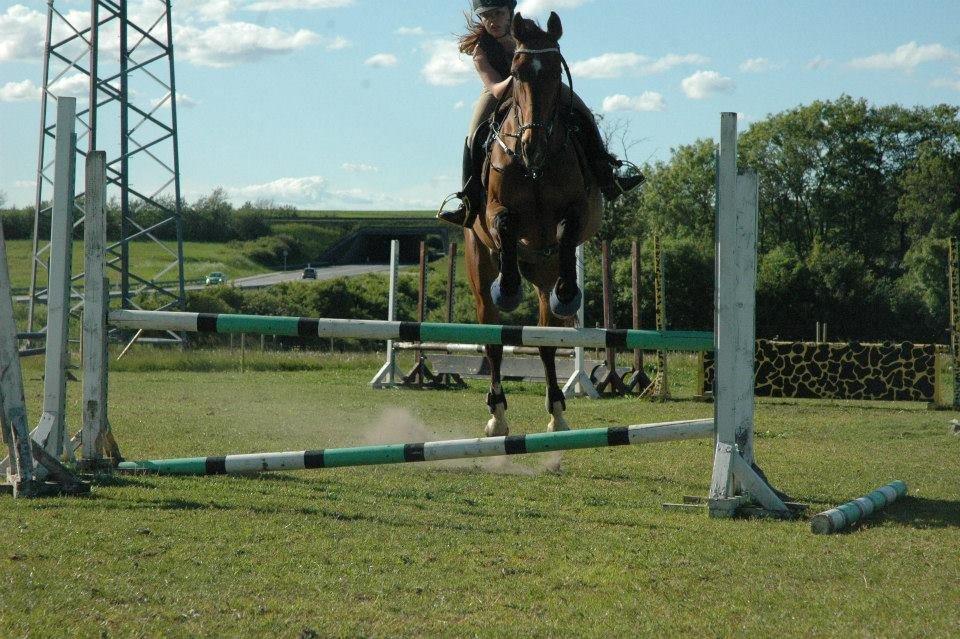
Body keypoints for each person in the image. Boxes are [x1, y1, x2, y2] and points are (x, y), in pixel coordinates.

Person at [438, 0, 645, 228]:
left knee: (584, 112)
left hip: (538, 87)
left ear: (509, 13)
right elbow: (496, 88)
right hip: (499, 93)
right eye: (485, 16)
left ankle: (608, 176)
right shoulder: (480, 50)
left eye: (496, 14)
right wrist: (519, 74)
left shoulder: (526, 31)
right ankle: (468, 199)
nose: (491, 21)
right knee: (474, 135)